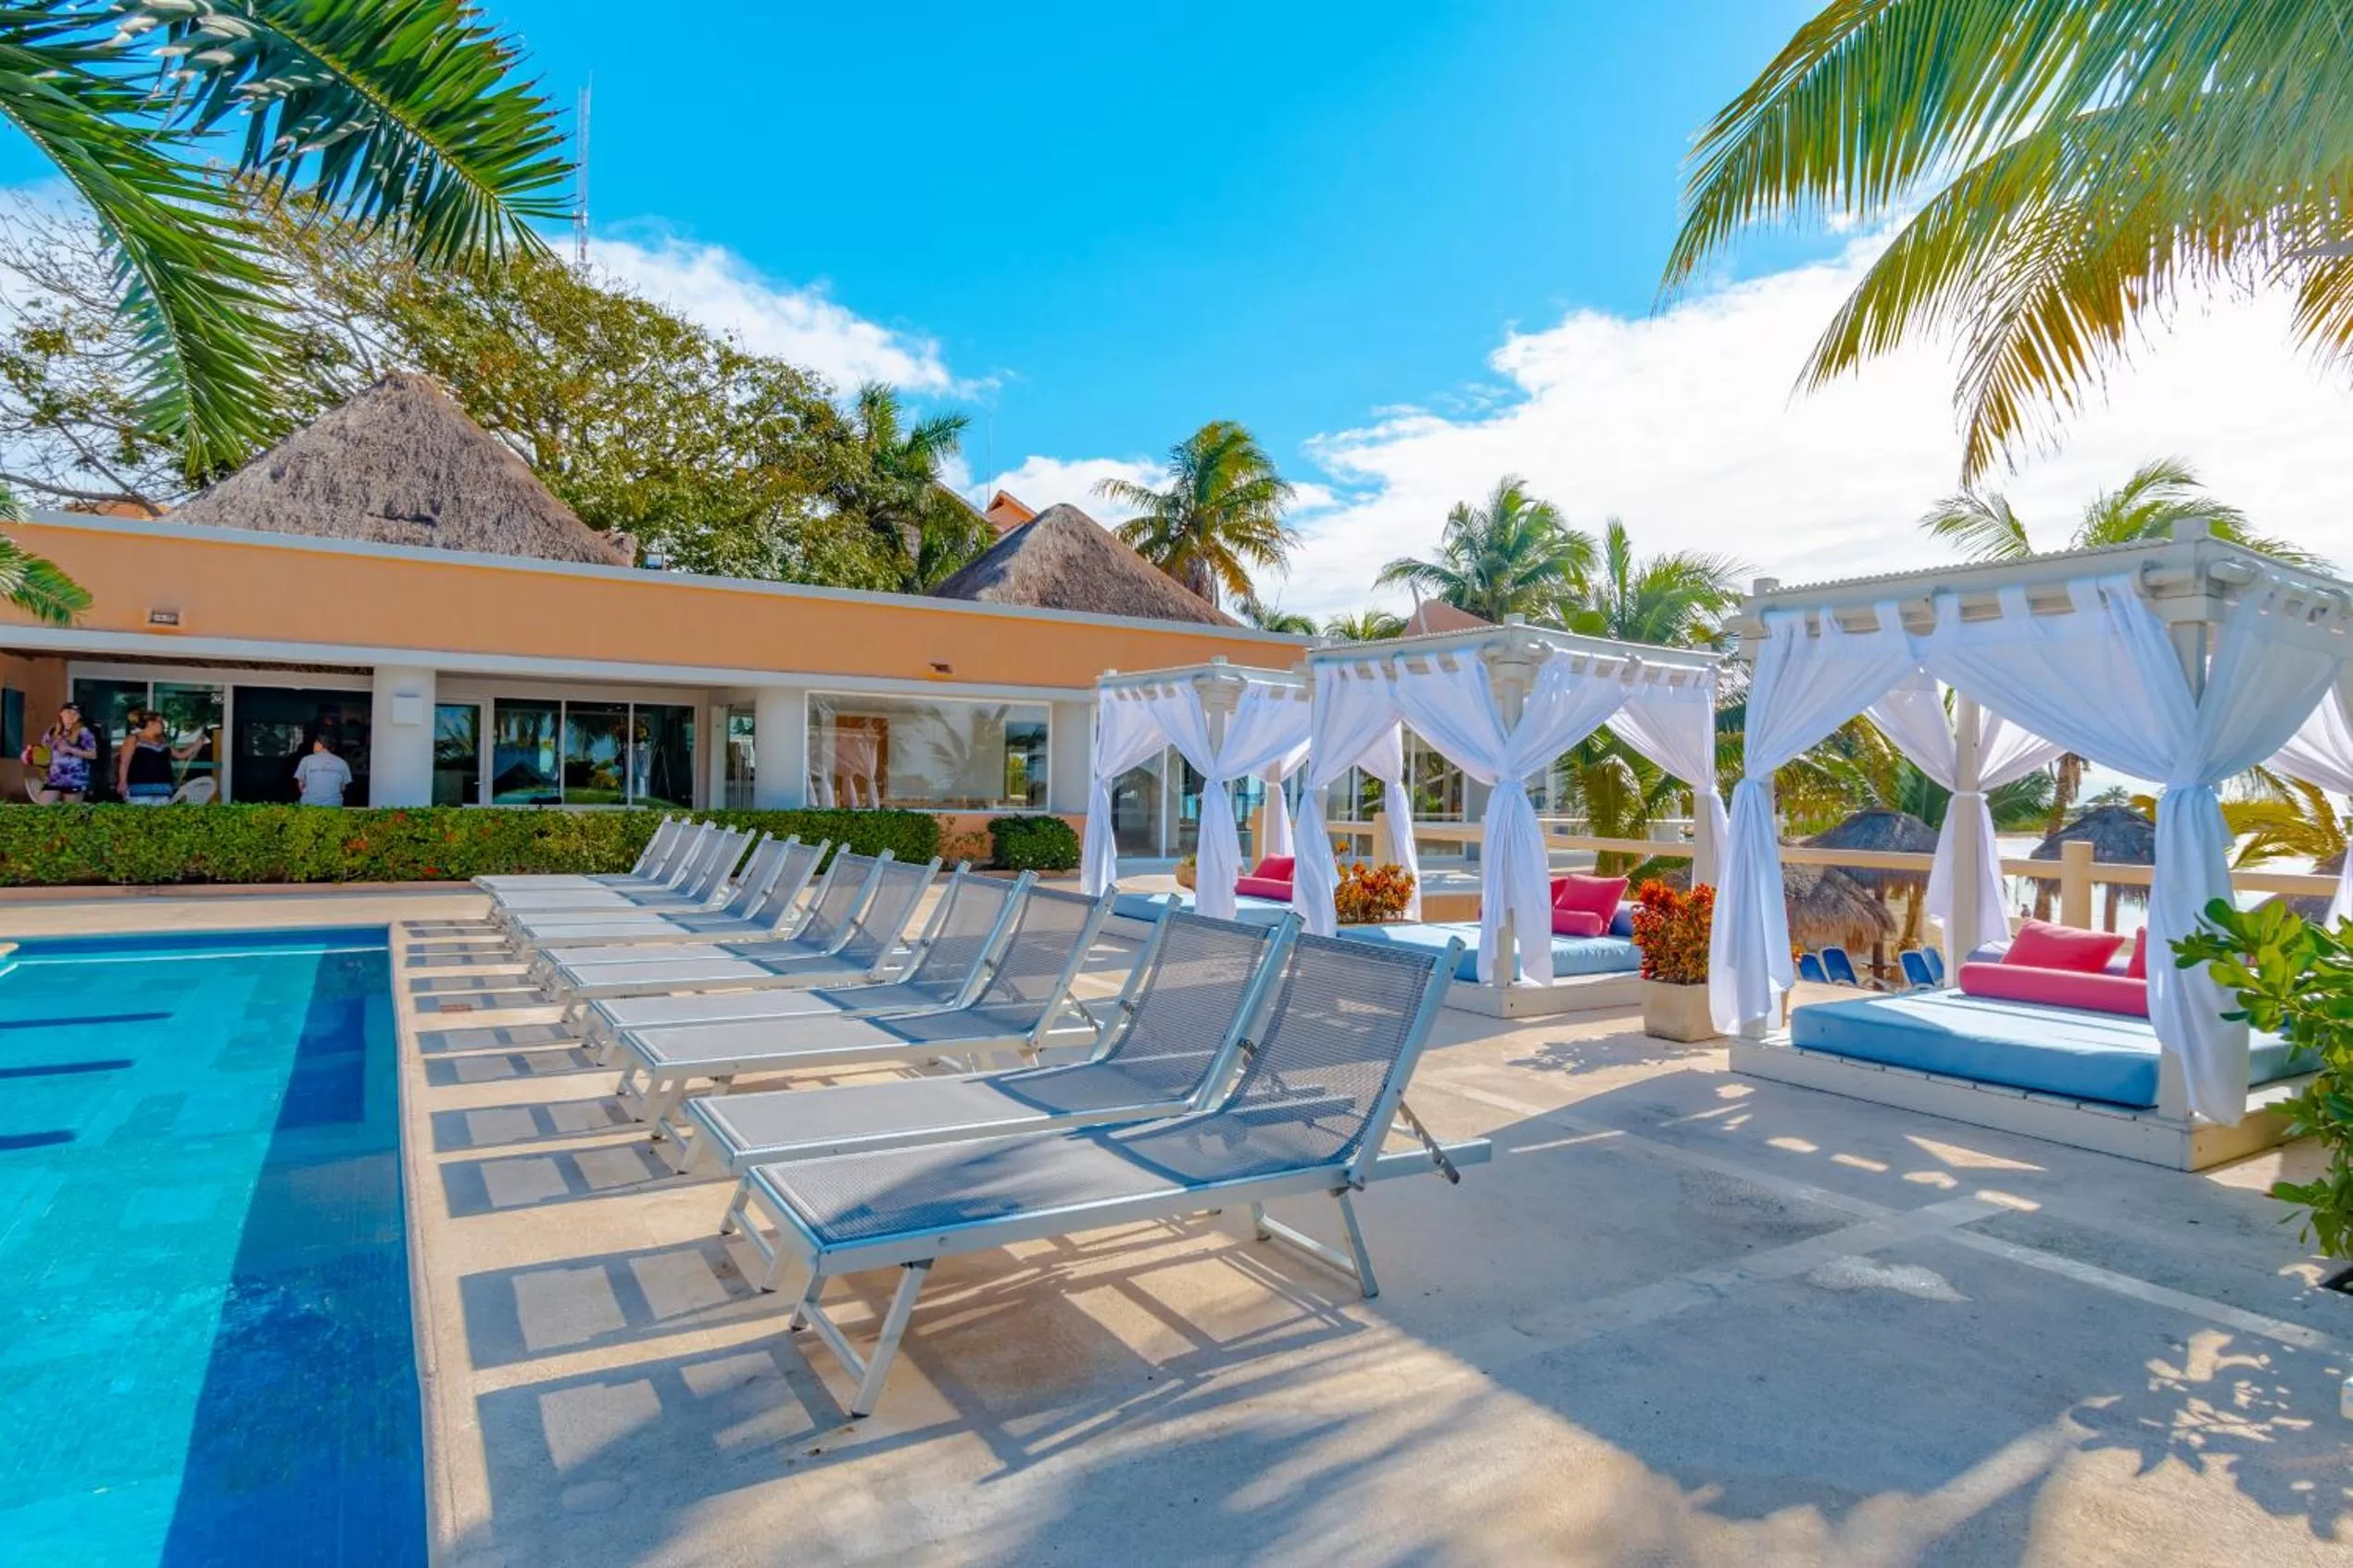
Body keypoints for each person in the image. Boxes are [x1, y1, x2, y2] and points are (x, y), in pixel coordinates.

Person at [117, 710, 206, 806]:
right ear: (151, 723)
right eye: (161, 722)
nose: (163, 725)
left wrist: (198, 743)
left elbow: (180, 755)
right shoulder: (134, 739)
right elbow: (124, 763)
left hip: (163, 789)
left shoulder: (163, 740)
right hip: (139, 789)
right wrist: (122, 782)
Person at [25, 700, 97, 803]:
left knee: (71, 812)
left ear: (79, 717)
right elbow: (44, 753)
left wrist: (70, 749)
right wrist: (32, 752)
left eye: (75, 714)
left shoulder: (83, 732)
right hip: (54, 778)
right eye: (68, 712)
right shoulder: (52, 731)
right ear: (61, 714)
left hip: (74, 779)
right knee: (44, 806)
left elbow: (93, 754)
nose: (71, 716)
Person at [294, 734, 353, 807]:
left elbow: (300, 784)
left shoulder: (306, 760)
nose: (313, 747)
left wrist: (312, 796)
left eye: (314, 744)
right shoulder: (342, 762)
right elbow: (343, 788)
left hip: (309, 805)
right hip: (333, 805)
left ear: (320, 744)